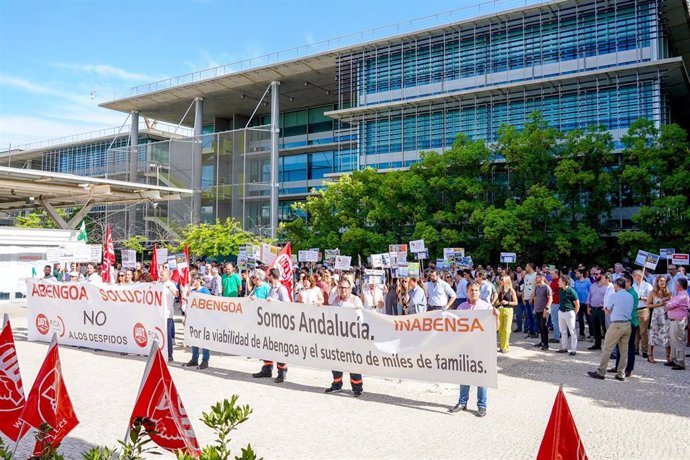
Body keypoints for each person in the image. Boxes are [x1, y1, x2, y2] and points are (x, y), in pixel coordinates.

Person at [448, 281, 498, 417]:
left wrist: (497, 316)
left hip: (481, 347)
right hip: (465, 347)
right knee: (465, 375)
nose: (474, 292)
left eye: (476, 290)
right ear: (467, 291)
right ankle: (462, 402)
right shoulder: (461, 307)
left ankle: (482, 405)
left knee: (481, 377)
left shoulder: (486, 307)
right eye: (471, 290)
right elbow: (455, 326)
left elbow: (496, 328)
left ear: (479, 292)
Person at [324, 278, 365, 396]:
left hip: (352, 337)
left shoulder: (355, 300)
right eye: (340, 288)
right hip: (338, 337)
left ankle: (357, 387)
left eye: (345, 288)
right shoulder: (335, 300)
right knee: (336, 361)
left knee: (353, 362)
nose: (343, 290)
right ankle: (336, 384)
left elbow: (362, 318)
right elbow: (330, 315)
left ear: (350, 289)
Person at [588, 278, 633, 381]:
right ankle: (621, 373)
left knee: (607, 348)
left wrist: (609, 310)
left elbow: (608, 309)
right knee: (624, 351)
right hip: (627, 324)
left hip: (617, 324)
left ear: (617, 285)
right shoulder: (630, 296)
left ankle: (601, 372)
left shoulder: (614, 296)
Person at [610, 273, 639, 377]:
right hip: (625, 322)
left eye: (624, 281)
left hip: (630, 322)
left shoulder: (632, 294)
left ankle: (629, 369)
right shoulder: (626, 293)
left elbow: (630, 310)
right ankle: (618, 366)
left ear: (629, 282)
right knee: (620, 346)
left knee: (629, 347)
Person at [184, 274, 211, 369]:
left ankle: (205, 360)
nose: (192, 281)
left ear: (199, 280)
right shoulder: (193, 291)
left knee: (204, 340)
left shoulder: (205, 291)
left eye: (194, 279)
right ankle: (194, 359)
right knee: (194, 338)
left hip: (203, 319)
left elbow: (208, 303)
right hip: (194, 318)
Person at [664, 277, 689, 370]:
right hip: (674, 320)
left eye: (676, 284)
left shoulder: (683, 296)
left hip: (678, 321)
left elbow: (671, 305)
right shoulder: (678, 295)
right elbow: (671, 303)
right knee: (673, 341)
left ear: (680, 285)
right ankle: (674, 359)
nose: (675, 285)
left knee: (679, 341)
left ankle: (680, 362)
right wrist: (668, 302)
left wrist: (666, 303)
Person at [647, 276, 672, 364]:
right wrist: (659, 305)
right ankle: (650, 355)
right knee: (653, 335)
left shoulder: (668, 292)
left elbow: (672, 304)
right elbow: (648, 305)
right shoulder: (653, 292)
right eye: (661, 281)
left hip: (665, 316)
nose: (662, 282)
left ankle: (668, 357)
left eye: (664, 281)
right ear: (657, 282)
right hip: (656, 316)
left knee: (666, 336)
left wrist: (669, 300)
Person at [586, 269, 611, 350]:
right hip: (593, 309)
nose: (595, 275)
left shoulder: (607, 287)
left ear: (602, 275)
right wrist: (588, 307)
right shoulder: (592, 285)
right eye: (594, 274)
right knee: (595, 327)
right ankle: (597, 344)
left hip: (602, 310)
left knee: (605, 328)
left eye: (597, 274)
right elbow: (589, 297)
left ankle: (607, 346)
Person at [632, 270, 653, 358]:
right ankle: (635, 349)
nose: (634, 277)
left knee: (643, 331)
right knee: (635, 330)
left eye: (636, 275)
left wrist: (641, 297)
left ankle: (644, 350)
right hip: (634, 310)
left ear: (640, 276)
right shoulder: (633, 285)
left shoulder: (647, 286)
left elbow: (652, 298)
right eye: (634, 276)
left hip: (643, 309)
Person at [557, 276, 580, 356]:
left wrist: (574, 314)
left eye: (559, 281)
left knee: (572, 331)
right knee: (563, 331)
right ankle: (564, 348)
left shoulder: (571, 291)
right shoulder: (560, 290)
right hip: (561, 311)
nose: (558, 282)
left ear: (564, 282)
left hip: (569, 312)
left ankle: (573, 350)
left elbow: (577, 304)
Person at [159, 269, 179, 362]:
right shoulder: (159, 284)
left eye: (162, 275)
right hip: (159, 314)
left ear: (167, 276)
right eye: (160, 275)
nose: (160, 276)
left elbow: (177, 293)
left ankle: (170, 354)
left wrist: (169, 287)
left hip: (167, 314)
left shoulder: (170, 284)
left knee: (168, 336)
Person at [531, 272, 553, 351]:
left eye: (537, 277)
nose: (536, 279)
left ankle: (546, 344)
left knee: (544, 327)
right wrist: (535, 307)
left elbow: (550, 299)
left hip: (544, 310)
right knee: (540, 327)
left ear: (542, 278)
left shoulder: (547, 287)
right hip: (538, 309)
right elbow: (536, 298)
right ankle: (542, 342)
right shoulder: (537, 288)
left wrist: (546, 308)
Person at [496, 275, 517, 353]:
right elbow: (497, 300)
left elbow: (516, 302)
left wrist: (507, 302)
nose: (500, 281)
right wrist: (498, 302)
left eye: (502, 280)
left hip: (508, 310)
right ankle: (502, 347)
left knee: (507, 330)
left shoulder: (511, 290)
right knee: (500, 330)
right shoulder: (500, 290)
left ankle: (506, 347)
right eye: (500, 279)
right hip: (500, 310)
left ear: (506, 281)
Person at [519, 263, 538, 338]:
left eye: (526, 266)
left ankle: (536, 331)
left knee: (534, 316)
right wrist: (523, 297)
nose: (525, 267)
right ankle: (530, 332)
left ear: (530, 267)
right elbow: (525, 287)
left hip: (532, 299)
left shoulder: (536, 275)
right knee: (528, 316)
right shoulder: (526, 276)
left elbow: (536, 288)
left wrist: (531, 297)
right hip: (526, 299)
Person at [573, 269, 592, 339]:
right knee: (580, 319)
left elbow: (590, 292)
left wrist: (589, 302)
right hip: (579, 303)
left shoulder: (588, 281)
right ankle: (581, 334)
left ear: (581, 274)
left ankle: (592, 334)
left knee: (589, 319)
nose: (576, 274)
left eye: (577, 273)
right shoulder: (576, 282)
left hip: (586, 303)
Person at [548, 269, 561, 344]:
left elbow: (552, 291)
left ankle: (557, 337)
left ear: (556, 274)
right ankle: (558, 336)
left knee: (555, 321)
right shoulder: (554, 281)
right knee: (555, 321)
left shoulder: (558, 281)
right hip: (554, 302)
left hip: (556, 303)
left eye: (552, 274)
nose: (550, 275)